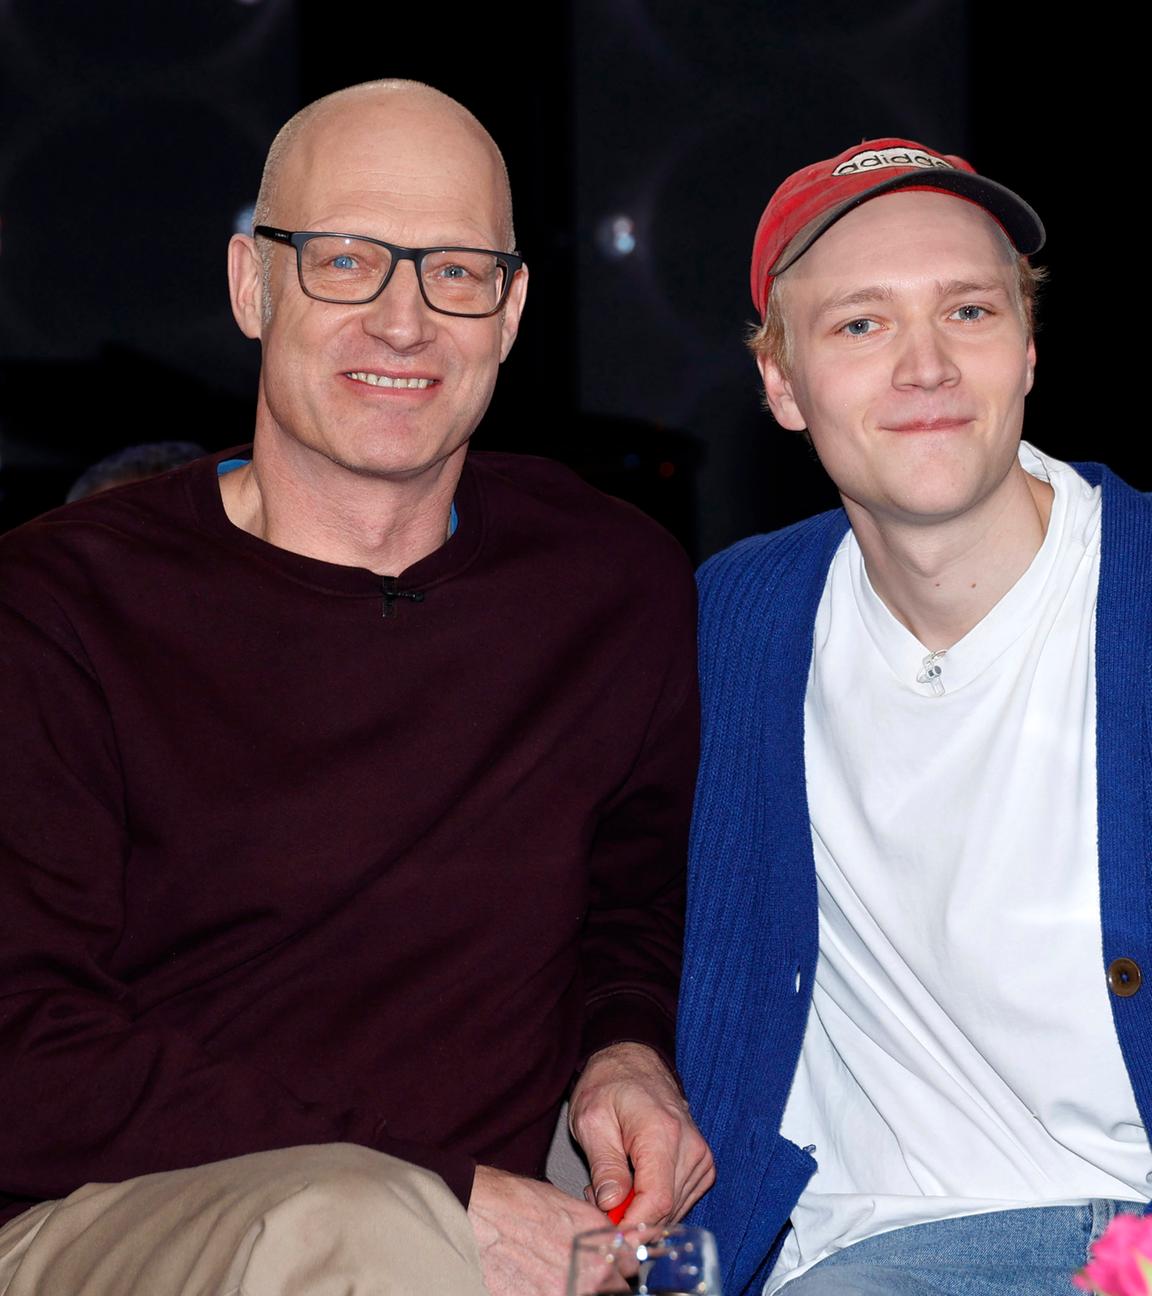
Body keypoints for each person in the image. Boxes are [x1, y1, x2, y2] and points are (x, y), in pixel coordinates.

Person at [0, 79, 712, 1296]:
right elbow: (25, 1051)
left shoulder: (610, 582)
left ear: (513, 308)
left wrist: (624, 1051)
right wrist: (438, 1194)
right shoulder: (59, 605)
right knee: (356, 1225)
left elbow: (633, 905)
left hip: (487, 1220)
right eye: (344, 260)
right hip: (118, 1216)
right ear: (250, 284)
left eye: (457, 272)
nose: (403, 320)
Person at [677, 138, 1152, 1296]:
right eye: (860, 325)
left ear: (1028, 351)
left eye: (970, 311)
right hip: (871, 1255)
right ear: (782, 386)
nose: (927, 365)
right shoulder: (728, 628)